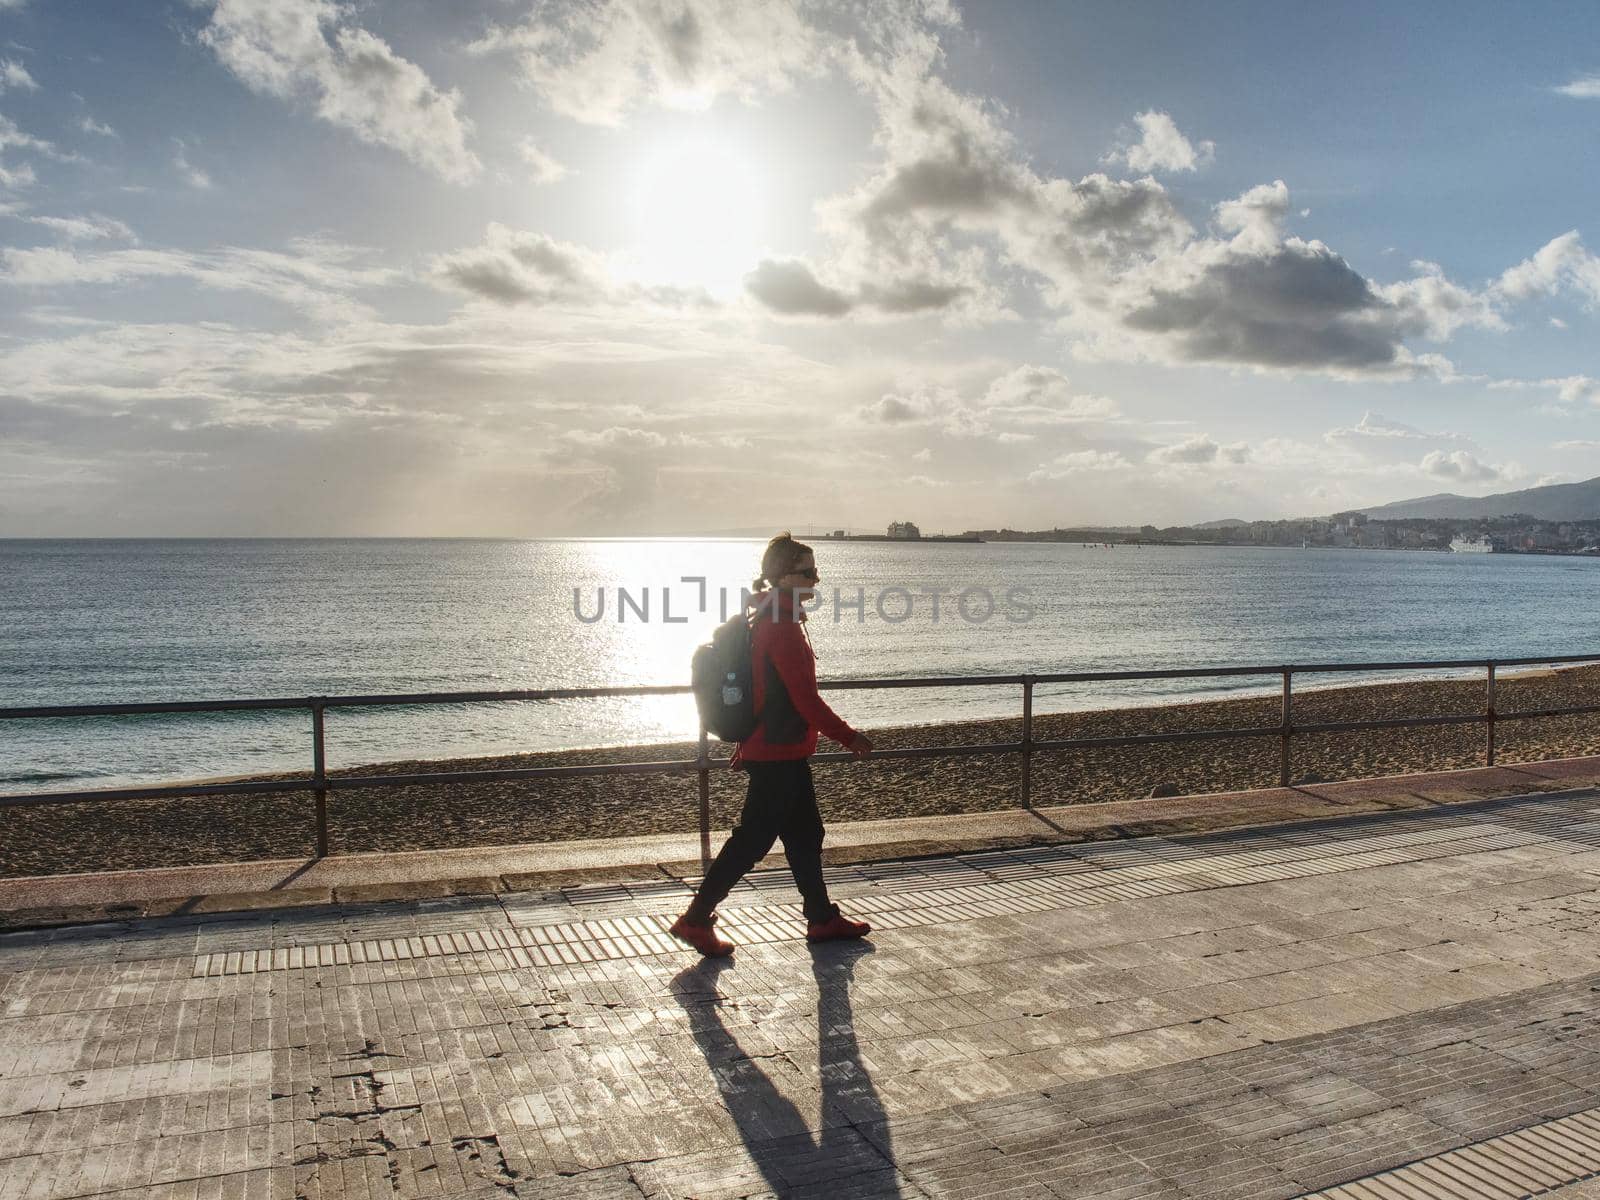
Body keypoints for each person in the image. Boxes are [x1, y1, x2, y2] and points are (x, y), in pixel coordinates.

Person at [670, 533, 876, 957]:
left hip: (778, 749)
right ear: (781, 576)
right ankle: (695, 919)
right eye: (807, 572)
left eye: (816, 571)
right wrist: (849, 736)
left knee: (804, 833)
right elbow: (804, 699)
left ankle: (821, 919)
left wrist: (748, 742)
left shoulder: (774, 616)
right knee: (752, 840)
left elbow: (765, 691)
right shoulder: (780, 626)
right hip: (778, 752)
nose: (815, 580)